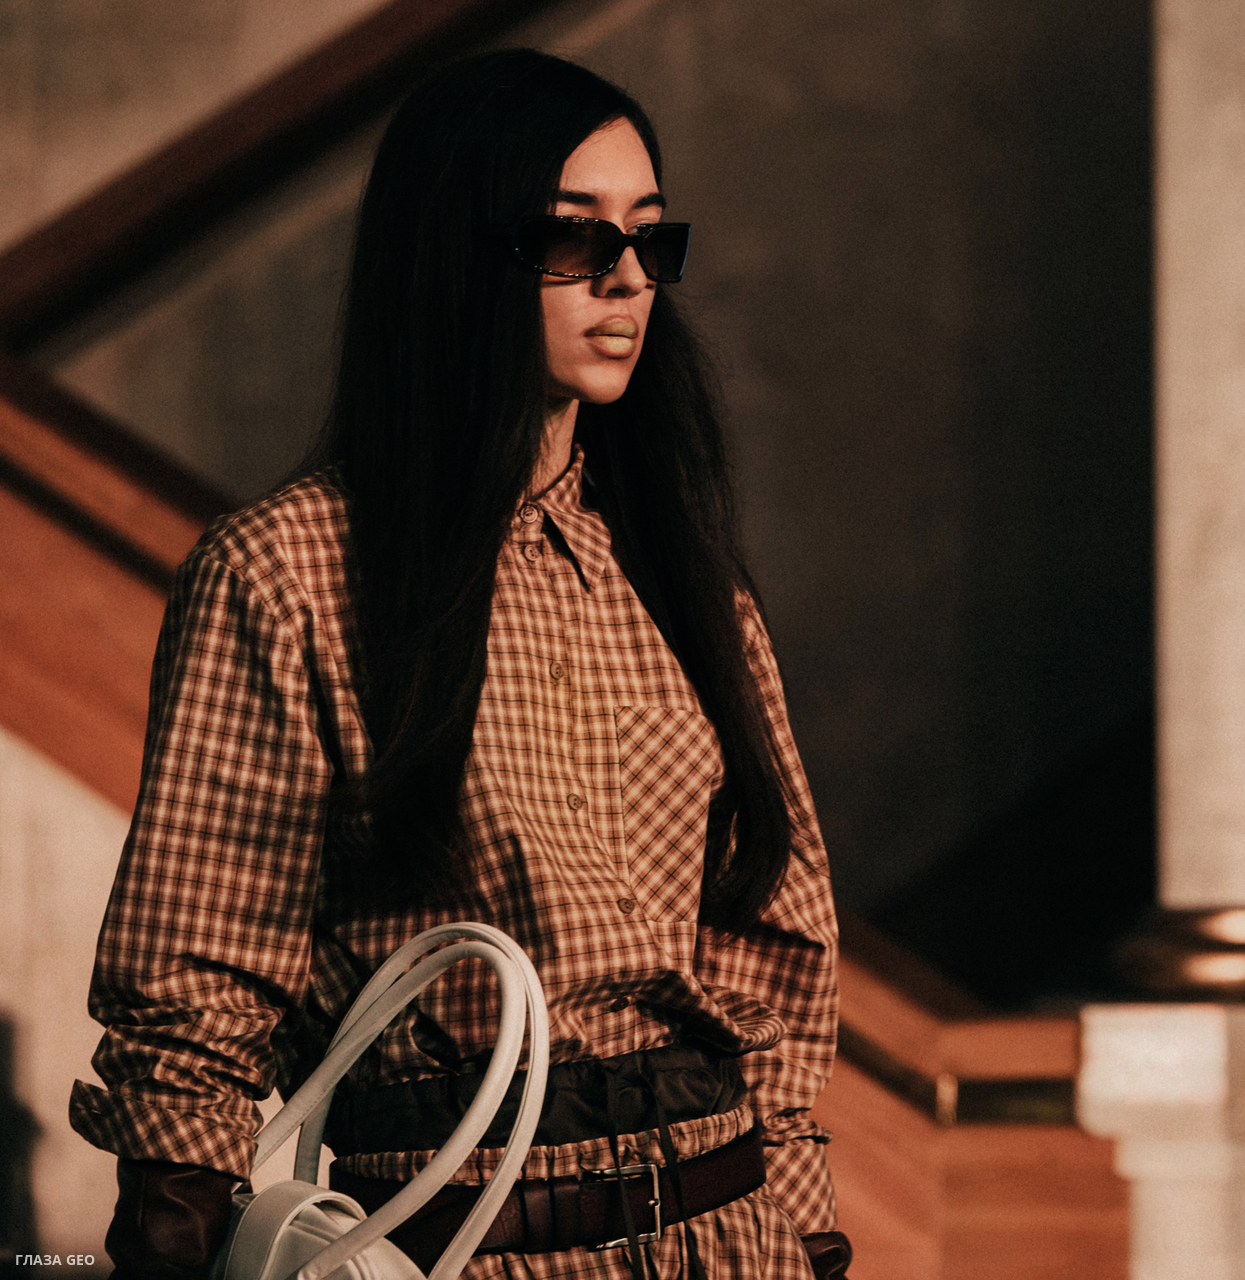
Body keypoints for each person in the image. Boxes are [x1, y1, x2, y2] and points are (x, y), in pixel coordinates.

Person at [69, 49, 851, 1280]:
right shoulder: (290, 573)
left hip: (728, 1231)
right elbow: (199, 983)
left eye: (649, 237)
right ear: (455, 253)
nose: (627, 278)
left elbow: (772, 955)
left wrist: (807, 1239)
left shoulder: (688, 582)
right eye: (574, 236)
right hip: (463, 1241)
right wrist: (175, 1227)